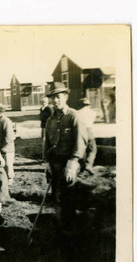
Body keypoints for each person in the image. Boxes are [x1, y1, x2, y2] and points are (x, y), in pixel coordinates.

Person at [44, 82, 88, 231]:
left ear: (65, 97)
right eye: (52, 98)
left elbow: (81, 142)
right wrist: (46, 163)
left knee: (69, 198)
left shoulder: (73, 116)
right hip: (54, 163)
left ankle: (70, 234)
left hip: (69, 164)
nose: (55, 101)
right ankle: (60, 227)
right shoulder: (50, 120)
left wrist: (73, 163)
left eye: (58, 97)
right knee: (56, 197)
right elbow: (47, 143)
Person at [0, 103, 15, 185]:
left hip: (7, 148)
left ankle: (10, 178)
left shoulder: (6, 121)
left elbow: (9, 135)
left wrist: (5, 147)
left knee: (7, 164)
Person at [77, 97, 97, 174]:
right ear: (88, 105)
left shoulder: (77, 113)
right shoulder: (93, 113)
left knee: (81, 149)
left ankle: (81, 166)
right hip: (89, 130)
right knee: (92, 149)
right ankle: (88, 165)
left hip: (81, 131)